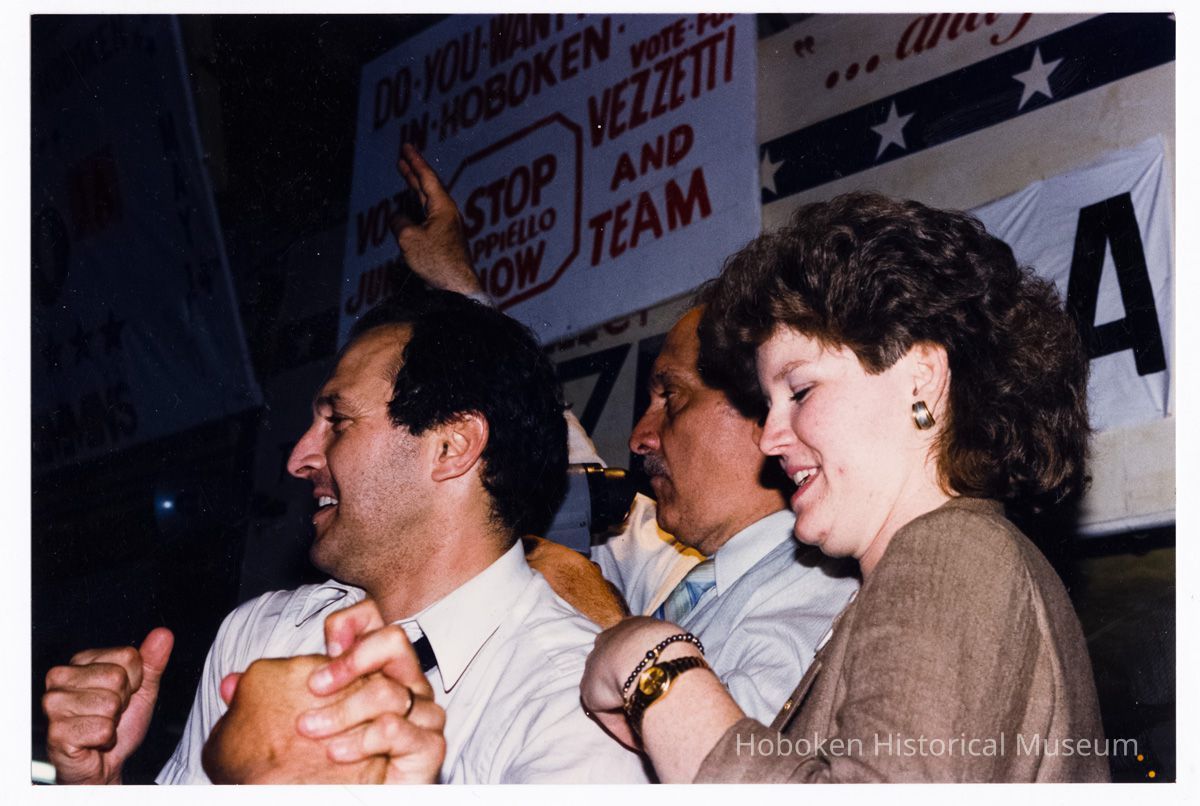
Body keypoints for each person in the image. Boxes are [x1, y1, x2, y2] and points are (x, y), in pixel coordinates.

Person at [578, 192, 1109, 783]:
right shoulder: (932, 563)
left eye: (800, 392)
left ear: (922, 379)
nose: (771, 437)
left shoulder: (952, 551)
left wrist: (652, 662)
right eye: (767, 403)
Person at [42, 290, 649, 784]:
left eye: (337, 420)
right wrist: (99, 786)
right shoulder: (260, 634)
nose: (300, 457)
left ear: (452, 446)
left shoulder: (576, 705)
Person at [391, 145, 858, 723]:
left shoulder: (826, 609)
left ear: (764, 409)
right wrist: (466, 292)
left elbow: (726, 772)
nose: (639, 438)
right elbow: (563, 469)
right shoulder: (675, 562)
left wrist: (610, 628)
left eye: (671, 399)